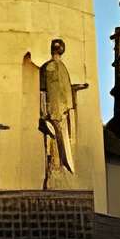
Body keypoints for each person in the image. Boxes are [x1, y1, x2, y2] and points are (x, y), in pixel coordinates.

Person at [36, 37, 84, 186]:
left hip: (61, 112)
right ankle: (55, 172)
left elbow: (64, 90)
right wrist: (45, 112)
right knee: (56, 144)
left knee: (62, 145)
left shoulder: (59, 67)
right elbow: (43, 91)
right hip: (55, 113)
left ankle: (60, 171)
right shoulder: (51, 67)